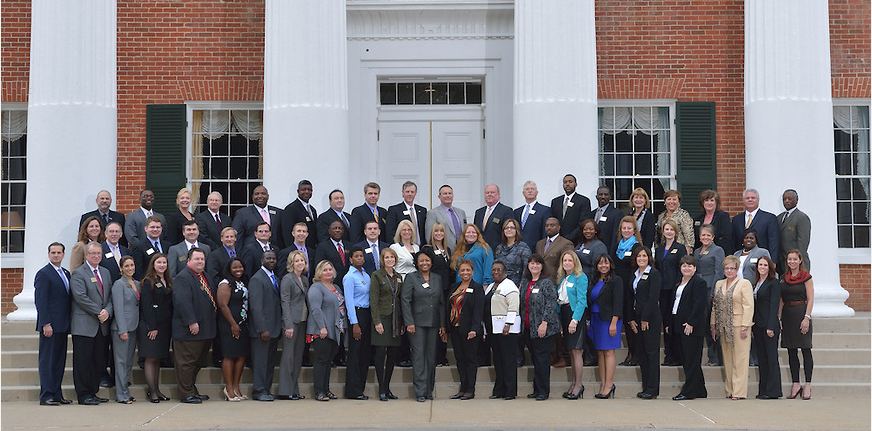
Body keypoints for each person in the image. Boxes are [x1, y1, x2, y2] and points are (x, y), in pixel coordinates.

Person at [171, 248, 217, 404]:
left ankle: (192, 389)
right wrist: (191, 321)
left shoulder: (204, 276)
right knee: (186, 363)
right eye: (197, 259)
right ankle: (186, 393)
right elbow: (182, 302)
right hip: (189, 329)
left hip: (206, 328)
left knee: (197, 362)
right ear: (188, 260)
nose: (200, 262)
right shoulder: (183, 277)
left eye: (202, 259)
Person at [70, 242, 113, 405]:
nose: (96, 256)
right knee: (83, 362)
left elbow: (109, 296)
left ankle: (93, 392)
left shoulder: (106, 272)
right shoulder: (79, 273)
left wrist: (107, 311)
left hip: (102, 326)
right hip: (84, 325)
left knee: (98, 361)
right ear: (86, 255)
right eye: (93, 253)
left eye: (99, 253)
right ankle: (83, 394)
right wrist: (99, 312)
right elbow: (80, 297)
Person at [401, 249, 446, 402]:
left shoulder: (437, 278)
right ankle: (420, 391)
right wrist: (409, 322)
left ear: (431, 262)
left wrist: (442, 324)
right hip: (417, 323)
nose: (424, 263)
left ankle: (428, 390)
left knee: (431, 357)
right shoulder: (411, 277)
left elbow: (441, 303)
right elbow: (405, 301)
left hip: (433, 323)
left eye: (427, 260)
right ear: (417, 263)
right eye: (421, 261)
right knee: (419, 357)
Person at [710, 255, 753, 400]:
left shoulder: (744, 283)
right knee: (728, 360)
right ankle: (729, 390)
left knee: (740, 359)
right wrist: (713, 324)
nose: (729, 271)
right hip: (723, 326)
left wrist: (745, 326)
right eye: (726, 268)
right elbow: (715, 306)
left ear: (737, 269)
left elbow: (748, 306)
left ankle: (739, 392)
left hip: (739, 325)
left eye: (732, 268)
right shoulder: (719, 284)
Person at [35, 242, 73, 406]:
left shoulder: (65, 273)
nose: (56, 255)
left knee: (59, 361)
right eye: (53, 253)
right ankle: (46, 395)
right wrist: (45, 323)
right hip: (50, 326)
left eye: (59, 252)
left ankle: (57, 394)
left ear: (63, 255)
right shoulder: (44, 273)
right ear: (49, 254)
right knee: (47, 361)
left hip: (63, 325)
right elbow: (41, 301)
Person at [519, 254, 559, 401]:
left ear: (542, 266)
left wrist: (544, 323)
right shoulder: (526, 282)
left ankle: (543, 391)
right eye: (531, 263)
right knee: (535, 359)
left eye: (537, 263)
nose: (534, 266)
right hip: (529, 327)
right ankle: (537, 389)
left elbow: (551, 304)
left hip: (544, 329)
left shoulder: (546, 283)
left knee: (542, 360)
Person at [668, 256, 708, 401]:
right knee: (688, 359)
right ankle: (700, 390)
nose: (687, 268)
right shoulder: (679, 283)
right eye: (684, 265)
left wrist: (691, 323)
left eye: (690, 266)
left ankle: (689, 392)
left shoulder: (699, 282)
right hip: (678, 324)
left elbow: (699, 305)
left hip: (691, 327)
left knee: (691, 360)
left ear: (695, 268)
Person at [307, 261, 347, 401]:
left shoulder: (335, 287)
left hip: (335, 330)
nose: (328, 272)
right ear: (319, 272)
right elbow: (315, 309)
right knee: (321, 360)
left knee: (329, 361)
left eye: (330, 269)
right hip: (322, 331)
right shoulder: (316, 288)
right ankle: (319, 391)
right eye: (325, 270)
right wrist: (322, 327)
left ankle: (326, 389)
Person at [446, 259, 485, 400]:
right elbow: (449, 307)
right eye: (462, 270)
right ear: (459, 272)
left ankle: (470, 389)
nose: (465, 272)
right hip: (455, 328)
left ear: (472, 271)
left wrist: (474, 328)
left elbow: (478, 310)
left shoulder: (477, 288)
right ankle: (462, 389)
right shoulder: (454, 287)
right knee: (460, 359)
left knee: (470, 360)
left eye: (468, 270)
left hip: (469, 330)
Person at [369, 247, 404, 401]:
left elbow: (400, 299)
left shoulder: (398, 276)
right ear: (382, 260)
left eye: (392, 257)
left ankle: (388, 386)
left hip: (395, 319)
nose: (390, 260)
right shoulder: (377, 275)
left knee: (392, 354)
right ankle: (381, 388)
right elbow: (374, 300)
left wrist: (402, 322)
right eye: (387, 258)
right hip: (382, 317)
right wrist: (376, 321)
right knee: (380, 352)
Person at [138, 253, 173, 403]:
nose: (162, 265)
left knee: (157, 358)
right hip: (151, 326)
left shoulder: (168, 280)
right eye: (159, 262)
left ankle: (157, 390)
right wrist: (152, 327)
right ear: (153, 264)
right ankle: (152, 392)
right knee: (151, 358)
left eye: (164, 263)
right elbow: (147, 306)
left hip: (165, 326)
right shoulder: (148, 281)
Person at [781, 249, 815, 400]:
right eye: (790, 259)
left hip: (801, 313)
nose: (792, 262)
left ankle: (807, 385)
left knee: (806, 350)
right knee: (791, 351)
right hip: (788, 315)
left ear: (800, 260)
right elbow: (781, 300)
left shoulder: (806, 277)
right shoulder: (784, 277)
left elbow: (811, 298)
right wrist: (779, 318)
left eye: (795, 259)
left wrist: (806, 317)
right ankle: (796, 384)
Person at [247, 250, 281, 401]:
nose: (272, 260)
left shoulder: (276, 278)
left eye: (274, 258)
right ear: (262, 261)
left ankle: (266, 389)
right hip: (263, 330)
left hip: (274, 329)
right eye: (268, 258)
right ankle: (259, 390)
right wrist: (262, 329)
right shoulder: (257, 279)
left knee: (269, 362)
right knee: (261, 362)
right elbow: (256, 306)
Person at [588, 253, 623, 399]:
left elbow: (618, 302)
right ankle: (603, 385)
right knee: (600, 353)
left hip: (610, 321)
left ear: (610, 265)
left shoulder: (616, 280)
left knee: (608, 352)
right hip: (596, 319)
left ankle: (609, 385)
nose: (603, 266)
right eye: (600, 263)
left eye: (606, 263)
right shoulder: (594, 280)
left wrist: (614, 322)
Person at [216, 257, 250, 402]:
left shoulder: (242, 282)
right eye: (235, 267)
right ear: (229, 269)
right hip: (229, 325)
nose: (238, 270)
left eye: (240, 267)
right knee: (229, 355)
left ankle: (236, 387)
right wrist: (233, 324)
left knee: (241, 355)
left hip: (242, 324)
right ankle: (228, 388)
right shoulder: (225, 283)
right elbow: (223, 305)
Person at [629, 246, 661, 400]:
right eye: (639, 256)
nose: (642, 258)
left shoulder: (654, 274)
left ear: (649, 258)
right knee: (642, 353)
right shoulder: (634, 275)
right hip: (638, 317)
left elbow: (653, 298)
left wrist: (645, 318)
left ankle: (653, 389)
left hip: (650, 319)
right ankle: (646, 387)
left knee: (651, 353)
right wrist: (633, 319)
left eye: (644, 256)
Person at [485, 261, 520, 400]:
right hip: (494, 329)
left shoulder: (509, 286)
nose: (496, 272)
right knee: (498, 360)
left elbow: (514, 305)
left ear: (504, 271)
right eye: (493, 270)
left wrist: (508, 324)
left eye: (499, 269)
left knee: (508, 360)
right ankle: (499, 390)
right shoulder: (491, 287)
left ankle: (510, 391)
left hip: (507, 330)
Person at [278, 250, 310, 400]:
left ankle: (294, 389)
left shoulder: (304, 279)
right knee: (288, 357)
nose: (300, 263)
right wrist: (288, 324)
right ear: (292, 263)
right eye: (297, 261)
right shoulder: (287, 279)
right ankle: (285, 390)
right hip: (291, 322)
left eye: (302, 261)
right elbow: (285, 302)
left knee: (297, 357)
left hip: (303, 320)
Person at [556, 250, 588, 399]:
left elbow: (582, 301)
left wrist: (574, 320)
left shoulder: (580, 277)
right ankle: (573, 383)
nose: (567, 263)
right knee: (570, 351)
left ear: (575, 262)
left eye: (570, 260)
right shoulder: (564, 278)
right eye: (565, 260)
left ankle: (579, 385)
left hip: (575, 314)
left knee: (576, 351)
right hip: (565, 313)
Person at [655, 219, 687, 366]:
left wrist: (680, 285)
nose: (669, 232)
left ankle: (677, 355)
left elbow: (683, 268)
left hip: (674, 289)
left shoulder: (680, 248)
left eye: (671, 230)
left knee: (674, 322)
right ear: (663, 231)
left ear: (675, 232)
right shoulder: (659, 249)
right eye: (666, 229)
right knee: (666, 322)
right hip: (662, 290)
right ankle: (668, 355)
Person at [612, 216, 643, 367]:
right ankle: (631, 352)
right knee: (625, 319)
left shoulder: (636, 247)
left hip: (631, 287)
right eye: (624, 228)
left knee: (631, 320)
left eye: (629, 228)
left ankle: (636, 354)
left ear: (634, 230)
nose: (626, 230)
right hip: (619, 286)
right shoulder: (619, 245)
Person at [343, 247, 373, 400]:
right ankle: (352, 390)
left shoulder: (366, 275)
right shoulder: (349, 277)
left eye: (361, 256)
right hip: (357, 314)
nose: (360, 258)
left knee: (364, 353)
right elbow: (348, 301)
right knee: (355, 353)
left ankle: (360, 387)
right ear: (351, 259)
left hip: (367, 313)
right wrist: (354, 323)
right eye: (356, 256)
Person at [693, 224, 725, 366]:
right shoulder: (696, 252)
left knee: (712, 324)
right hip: (698, 289)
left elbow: (719, 271)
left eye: (708, 235)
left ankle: (716, 357)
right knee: (704, 323)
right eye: (703, 235)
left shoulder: (717, 250)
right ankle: (710, 355)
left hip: (710, 289)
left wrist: (714, 291)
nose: (705, 237)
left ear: (713, 237)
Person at [110, 256, 139, 404]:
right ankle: (121, 394)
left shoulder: (137, 283)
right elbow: (118, 308)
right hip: (122, 329)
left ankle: (125, 391)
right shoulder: (118, 284)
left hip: (134, 327)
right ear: (121, 268)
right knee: (121, 362)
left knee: (128, 362)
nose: (130, 268)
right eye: (126, 266)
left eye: (132, 265)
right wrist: (122, 330)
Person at [752, 256, 782, 399]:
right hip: (758, 325)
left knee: (771, 358)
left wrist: (770, 326)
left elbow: (774, 305)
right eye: (760, 264)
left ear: (769, 267)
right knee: (762, 359)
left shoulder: (773, 283)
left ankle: (773, 391)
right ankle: (763, 390)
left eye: (765, 265)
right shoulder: (756, 283)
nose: (762, 267)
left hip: (769, 326)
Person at [423, 222, 453, 367]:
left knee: (444, 323)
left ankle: (443, 355)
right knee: (435, 323)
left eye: (441, 231)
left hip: (446, 290)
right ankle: (435, 357)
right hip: (434, 290)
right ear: (432, 233)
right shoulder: (428, 249)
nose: (439, 233)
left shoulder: (447, 250)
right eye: (436, 231)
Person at [731, 188, 780, 261]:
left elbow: (774, 242)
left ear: (758, 200)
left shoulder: (769, 218)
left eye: (753, 198)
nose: (750, 200)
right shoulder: (736, 219)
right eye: (747, 198)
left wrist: (773, 261)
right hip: (741, 260)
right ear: (743, 201)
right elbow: (734, 242)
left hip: (762, 261)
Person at [550, 174, 592, 244]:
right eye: (565, 182)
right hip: (557, 242)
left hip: (575, 241)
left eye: (570, 182)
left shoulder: (583, 201)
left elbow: (583, 223)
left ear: (575, 184)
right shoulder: (555, 201)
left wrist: (568, 238)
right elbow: (553, 221)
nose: (567, 184)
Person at [425, 184, 468, 250]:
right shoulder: (432, 213)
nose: (448, 196)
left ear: (453, 196)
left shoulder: (461, 212)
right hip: (445, 252)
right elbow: (429, 237)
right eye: (445, 194)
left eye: (450, 193)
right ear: (439, 196)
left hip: (462, 251)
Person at [385, 180, 428, 246]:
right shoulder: (394, 210)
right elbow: (390, 232)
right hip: (402, 248)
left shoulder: (422, 210)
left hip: (420, 248)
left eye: (412, 192)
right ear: (403, 193)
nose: (410, 194)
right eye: (407, 192)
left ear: (415, 193)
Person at [778, 189, 811, 272]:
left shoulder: (802, 217)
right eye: (784, 199)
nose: (786, 201)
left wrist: (795, 260)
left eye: (789, 199)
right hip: (781, 263)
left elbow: (802, 242)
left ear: (796, 200)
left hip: (796, 264)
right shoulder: (779, 218)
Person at [474, 184, 514, 251]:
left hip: (498, 251)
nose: (489, 194)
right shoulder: (479, 212)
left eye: (492, 192)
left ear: (498, 195)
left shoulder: (506, 211)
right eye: (487, 193)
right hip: (480, 251)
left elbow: (509, 233)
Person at [281, 180, 319, 249]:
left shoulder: (313, 210)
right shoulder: (291, 209)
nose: (307, 192)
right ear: (298, 191)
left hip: (309, 251)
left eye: (309, 190)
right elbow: (287, 234)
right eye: (303, 190)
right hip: (297, 252)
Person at [535, 217, 574, 284]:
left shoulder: (566, 243)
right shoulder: (539, 243)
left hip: (556, 282)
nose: (549, 228)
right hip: (539, 281)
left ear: (558, 227)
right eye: (547, 226)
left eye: (552, 225)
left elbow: (568, 265)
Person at [314, 219, 351, 290]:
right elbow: (319, 267)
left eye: (340, 228)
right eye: (334, 228)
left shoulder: (350, 246)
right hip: (331, 285)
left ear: (343, 231)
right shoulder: (322, 247)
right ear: (329, 231)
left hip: (348, 284)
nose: (337, 230)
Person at [130, 216, 170, 281]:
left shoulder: (167, 245)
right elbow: (138, 271)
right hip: (149, 284)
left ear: (161, 229)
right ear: (146, 229)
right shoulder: (139, 247)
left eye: (158, 227)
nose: (155, 229)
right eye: (152, 227)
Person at [494, 218, 532, 287]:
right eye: (506, 228)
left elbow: (526, 268)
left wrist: (522, 285)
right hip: (501, 285)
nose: (509, 230)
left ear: (516, 230)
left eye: (512, 227)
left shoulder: (523, 247)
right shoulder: (499, 248)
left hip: (516, 285)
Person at [693, 189, 733, 254]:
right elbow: (696, 239)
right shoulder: (697, 219)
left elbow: (725, 238)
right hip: (701, 254)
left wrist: (711, 252)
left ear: (716, 203)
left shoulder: (723, 216)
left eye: (712, 200)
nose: (709, 203)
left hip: (719, 253)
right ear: (702, 203)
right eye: (706, 200)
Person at [655, 190, 694, 254]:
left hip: (679, 251)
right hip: (664, 250)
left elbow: (689, 237)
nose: (671, 202)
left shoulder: (683, 215)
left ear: (679, 202)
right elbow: (657, 237)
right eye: (669, 199)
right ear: (665, 201)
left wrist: (686, 255)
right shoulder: (661, 216)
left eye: (674, 199)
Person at [514, 180, 550, 250]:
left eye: (532, 189)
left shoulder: (544, 210)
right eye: (527, 189)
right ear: (523, 193)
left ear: (537, 193)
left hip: (535, 249)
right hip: (517, 249)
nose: (530, 191)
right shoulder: (517, 212)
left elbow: (545, 233)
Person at [590, 186, 623, 251]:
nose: (603, 197)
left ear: (610, 197)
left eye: (606, 194)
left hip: (607, 251)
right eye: (600, 194)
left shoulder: (617, 213)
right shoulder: (591, 214)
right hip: (592, 250)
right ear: (596, 197)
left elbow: (615, 236)